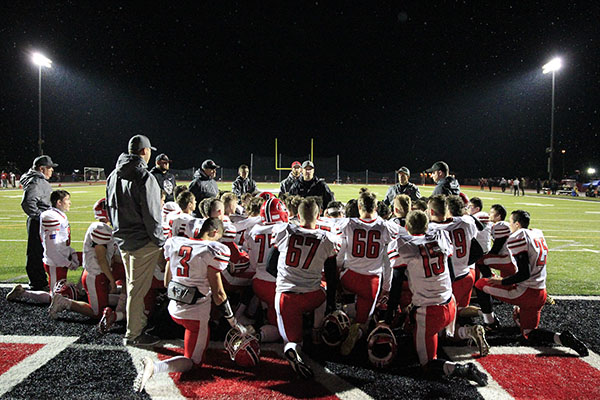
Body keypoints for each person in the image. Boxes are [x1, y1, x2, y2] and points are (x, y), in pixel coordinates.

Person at [135, 218, 245, 392]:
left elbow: (166, 281)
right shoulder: (212, 250)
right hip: (195, 315)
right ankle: (155, 367)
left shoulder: (175, 243)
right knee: (194, 363)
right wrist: (233, 322)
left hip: (174, 307)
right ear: (215, 232)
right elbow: (218, 294)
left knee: (191, 336)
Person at [384, 210, 488, 386]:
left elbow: (396, 283)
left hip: (429, 312)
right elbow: (452, 273)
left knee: (427, 364)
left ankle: (463, 369)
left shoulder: (403, 244)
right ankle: (467, 331)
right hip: (449, 302)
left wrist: (389, 314)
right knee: (441, 334)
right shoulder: (440, 237)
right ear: (427, 225)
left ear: (407, 227)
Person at [475, 210, 588, 357]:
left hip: (525, 292)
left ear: (517, 223)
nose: (509, 226)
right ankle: (561, 338)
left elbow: (524, 273)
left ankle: (490, 323)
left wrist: (501, 281)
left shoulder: (518, 236)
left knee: (480, 284)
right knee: (528, 333)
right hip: (540, 292)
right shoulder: (537, 233)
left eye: (511, 222)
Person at [269, 198, 341, 378]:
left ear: (298, 215)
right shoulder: (326, 239)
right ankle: (317, 331)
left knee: (293, 341)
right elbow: (332, 278)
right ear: (318, 215)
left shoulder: (285, 231)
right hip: (312, 296)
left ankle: (293, 348)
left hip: (286, 298)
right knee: (323, 291)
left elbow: (270, 265)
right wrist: (332, 303)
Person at [106, 134, 165, 347]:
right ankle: (134, 334)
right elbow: (152, 216)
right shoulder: (145, 177)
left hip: (124, 239)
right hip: (143, 242)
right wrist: (160, 242)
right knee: (137, 290)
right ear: (145, 152)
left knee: (133, 288)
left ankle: (136, 325)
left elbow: (109, 209)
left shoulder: (113, 175)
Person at [337, 191, 399, 356]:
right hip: (371, 282)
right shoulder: (386, 227)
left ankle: (344, 319)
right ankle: (356, 332)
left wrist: (337, 275)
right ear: (376, 206)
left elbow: (339, 255)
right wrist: (386, 287)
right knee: (363, 323)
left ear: (359, 207)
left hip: (349, 276)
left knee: (347, 302)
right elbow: (388, 262)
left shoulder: (348, 224)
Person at [49, 198, 127, 329]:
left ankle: (121, 305)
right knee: (96, 313)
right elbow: (101, 259)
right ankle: (64, 302)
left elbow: (113, 258)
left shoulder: (107, 228)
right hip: (95, 275)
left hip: (101, 273)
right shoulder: (100, 228)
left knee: (127, 272)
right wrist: (112, 281)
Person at [7, 190, 78, 305]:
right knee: (54, 298)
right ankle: (22, 293)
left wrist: (73, 253)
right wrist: (67, 263)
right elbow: (52, 250)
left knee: (89, 258)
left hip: (62, 257)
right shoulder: (51, 217)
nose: (69, 203)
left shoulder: (59, 215)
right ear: (59, 202)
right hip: (55, 262)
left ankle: (80, 288)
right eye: (67, 200)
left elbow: (62, 242)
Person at [20, 155, 59, 291]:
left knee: (39, 251)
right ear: (41, 169)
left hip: (39, 220)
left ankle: (39, 280)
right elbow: (27, 202)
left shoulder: (37, 180)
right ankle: (38, 282)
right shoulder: (36, 181)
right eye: (49, 168)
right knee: (36, 252)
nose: (52, 171)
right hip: (38, 222)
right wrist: (40, 217)